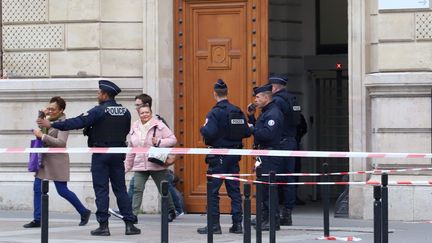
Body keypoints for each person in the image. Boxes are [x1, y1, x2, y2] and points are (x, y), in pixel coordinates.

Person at [37, 80, 141, 236]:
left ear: (105, 94)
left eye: (99, 93)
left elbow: (78, 122)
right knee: (120, 189)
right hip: (118, 153)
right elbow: (126, 130)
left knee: (101, 190)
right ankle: (129, 225)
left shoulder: (99, 110)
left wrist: (52, 124)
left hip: (101, 154)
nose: (98, 95)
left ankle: (103, 226)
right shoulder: (125, 111)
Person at [24, 96, 91, 228]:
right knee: (37, 188)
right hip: (44, 160)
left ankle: (84, 211)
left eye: (53, 109)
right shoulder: (47, 120)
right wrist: (43, 113)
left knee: (62, 190)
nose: (50, 111)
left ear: (61, 110)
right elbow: (39, 121)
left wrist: (42, 136)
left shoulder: (63, 123)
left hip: (57, 161)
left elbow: (61, 143)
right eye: (49, 108)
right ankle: (38, 219)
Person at [197, 79, 251, 234]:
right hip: (234, 155)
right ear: (227, 93)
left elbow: (209, 132)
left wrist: (202, 128)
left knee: (212, 191)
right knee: (234, 190)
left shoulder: (214, 112)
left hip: (219, 155)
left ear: (215, 94)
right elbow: (247, 132)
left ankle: (214, 225)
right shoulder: (237, 110)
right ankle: (237, 224)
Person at [124, 104, 178, 221]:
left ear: (151, 113)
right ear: (139, 114)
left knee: (163, 188)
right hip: (140, 164)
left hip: (155, 162)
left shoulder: (159, 125)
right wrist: (127, 166)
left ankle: (171, 210)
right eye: (142, 113)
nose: (145, 115)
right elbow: (131, 149)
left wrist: (159, 141)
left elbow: (173, 139)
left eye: (147, 112)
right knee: (137, 189)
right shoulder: (134, 127)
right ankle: (134, 215)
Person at [247, 84, 283, 231]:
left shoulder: (273, 113)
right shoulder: (265, 112)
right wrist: (250, 116)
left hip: (270, 155)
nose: (255, 100)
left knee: (269, 188)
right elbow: (260, 129)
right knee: (262, 187)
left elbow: (267, 134)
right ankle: (264, 217)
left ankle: (273, 220)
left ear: (267, 98)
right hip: (263, 154)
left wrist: (252, 129)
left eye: (258, 97)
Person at [268, 75, 301, 226]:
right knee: (289, 178)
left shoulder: (277, 101)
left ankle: (271, 214)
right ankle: (287, 213)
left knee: (272, 178)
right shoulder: (293, 99)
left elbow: (274, 122)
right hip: (291, 142)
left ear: (274, 88)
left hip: (280, 144)